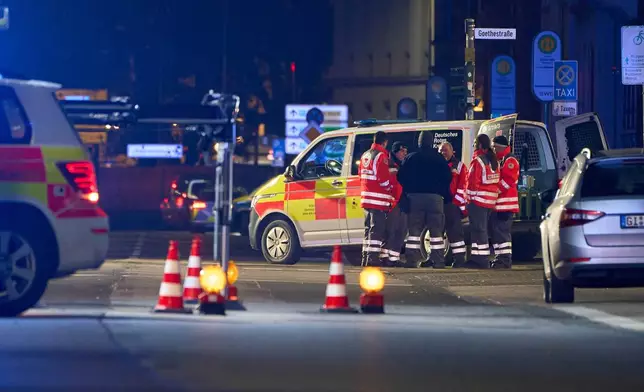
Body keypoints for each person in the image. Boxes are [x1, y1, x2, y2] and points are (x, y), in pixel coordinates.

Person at [397, 131, 452, 268]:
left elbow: (400, 177)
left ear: (419, 142)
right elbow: (448, 177)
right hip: (435, 199)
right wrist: (442, 193)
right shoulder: (439, 158)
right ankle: (438, 261)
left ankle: (411, 260)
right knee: (436, 231)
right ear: (431, 141)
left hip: (415, 198)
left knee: (414, 231)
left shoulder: (411, 157)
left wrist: (409, 190)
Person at [460, 133, 500, 269]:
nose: (473, 146)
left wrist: (468, 199)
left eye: (475, 143)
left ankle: (481, 260)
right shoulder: (494, 161)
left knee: (479, 230)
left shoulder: (478, 161)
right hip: (490, 201)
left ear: (480, 145)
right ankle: (478, 258)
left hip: (478, 201)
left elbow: (472, 183)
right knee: (481, 230)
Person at [359, 131, 394, 267]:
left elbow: (360, 175)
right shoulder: (381, 156)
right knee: (376, 229)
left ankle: (365, 257)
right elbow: (383, 178)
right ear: (384, 142)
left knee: (368, 228)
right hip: (378, 199)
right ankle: (372, 258)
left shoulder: (365, 155)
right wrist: (389, 188)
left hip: (366, 198)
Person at [490, 135, 520, 269]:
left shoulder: (510, 160)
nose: (493, 150)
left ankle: (505, 260)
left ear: (500, 147)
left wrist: (494, 190)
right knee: (498, 233)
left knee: (502, 234)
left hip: (505, 206)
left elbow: (509, 180)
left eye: (494, 147)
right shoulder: (503, 160)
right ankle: (500, 258)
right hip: (500, 205)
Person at [439, 141, 468, 267]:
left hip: (451, 204)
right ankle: (438, 259)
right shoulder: (437, 164)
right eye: (440, 150)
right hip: (439, 203)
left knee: (455, 233)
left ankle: (459, 259)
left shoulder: (460, 166)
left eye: (445, 150)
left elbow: (463, 186)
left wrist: (457, 203)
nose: (442, 152)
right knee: (437, 234)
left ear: (452, 151)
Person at [380, 142, 409, 266]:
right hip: (393, 202)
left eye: (405, 151)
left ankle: (394, 258)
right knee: (390, 231)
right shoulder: (390, 164)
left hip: (401, 201)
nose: (404, 154)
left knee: (401, 230)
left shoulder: (401, 164)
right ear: (396, 151)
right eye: (402, 151)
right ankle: (384, 257)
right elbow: (389, 184)